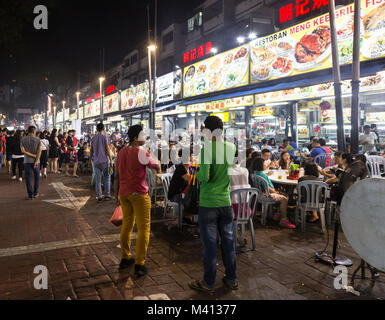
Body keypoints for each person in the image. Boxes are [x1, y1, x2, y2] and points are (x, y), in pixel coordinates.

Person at [189, 116, 238, 295]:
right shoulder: (231, 147)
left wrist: (198, 171)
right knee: (228, 242)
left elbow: (205, 177)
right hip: (226, 202)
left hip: (209, 203)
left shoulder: (207, 149)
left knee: (210, 245)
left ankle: (208, 282)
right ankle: (231, 279)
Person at [114, 124, 160, 278]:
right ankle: (140, 264)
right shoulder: (142, 153)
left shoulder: (121, 153)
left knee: (126, 226)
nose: (145, 138)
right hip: (139, 195)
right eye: (143, 135)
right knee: (143, 229)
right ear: (135, 138)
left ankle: (125, 257)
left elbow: (117, 175)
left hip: (124, 194)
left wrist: (116, 195)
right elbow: (157, 166)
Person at [252, 157, 296, 229]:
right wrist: (275, 192)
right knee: (284, 198)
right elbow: (266, 187)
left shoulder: (256, 173)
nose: (265, 165)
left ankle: (278, 214)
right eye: (263, 164)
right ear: (260, 165)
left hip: (260, 194)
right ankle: (283, 219)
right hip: (267, 195)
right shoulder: (262, 174)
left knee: (285, 195)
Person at [90, 123, 113, 202]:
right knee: (107, 178)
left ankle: (99, 195)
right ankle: (107, 195)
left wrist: (90, 160)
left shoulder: (93, 138)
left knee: (98, 179)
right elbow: (107, 149)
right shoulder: (105, 136)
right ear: (103, 128)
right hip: (104, 161)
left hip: (96, 161)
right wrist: (110, 160)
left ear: (96, 129)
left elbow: (91, 150)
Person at [20, 126, 42, 200]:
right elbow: (39, 151)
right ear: (34, 131)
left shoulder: (23, 139)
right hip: (36, 161)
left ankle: (30, 195)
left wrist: (30, 154)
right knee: (37, 177)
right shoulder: (38, 139)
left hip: (27, 161)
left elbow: (23, 151)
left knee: (28, 178)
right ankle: (35, 193)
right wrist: (36, 160)